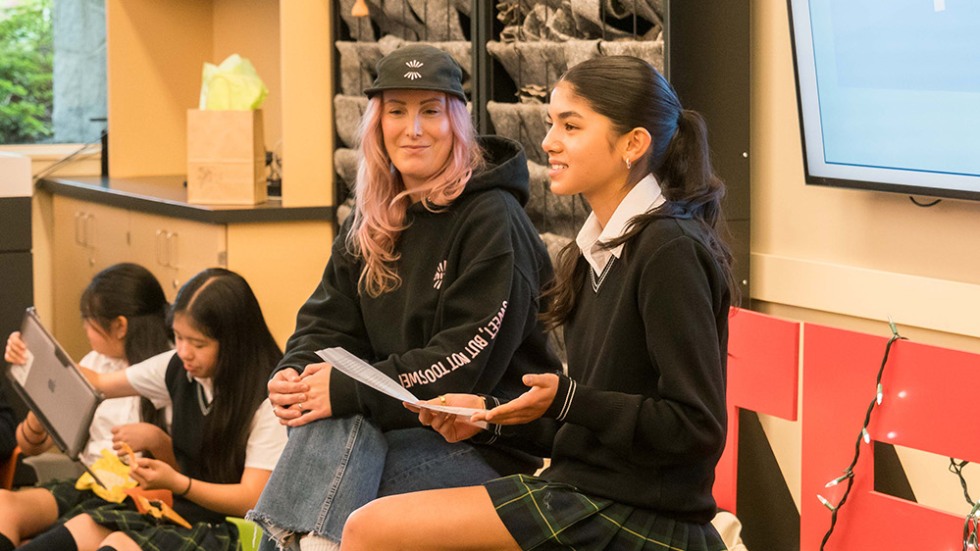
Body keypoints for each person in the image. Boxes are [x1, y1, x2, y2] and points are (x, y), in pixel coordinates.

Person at [340, 55, 737, 551]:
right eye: (551, 124)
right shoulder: (593, 251)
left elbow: (695, 427)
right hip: (579, 491)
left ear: (633, 144)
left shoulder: (668, 249)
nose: (548, 141)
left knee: (366, 529)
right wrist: (489, 415)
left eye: (571, 126)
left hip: (638, 515)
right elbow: (576, 430)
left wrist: (568, 398)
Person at [247, 44, 561, 551]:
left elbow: (460, 366)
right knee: (323, 435)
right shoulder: (372, 216)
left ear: (456, 122)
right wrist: (296, 372)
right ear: (377, 124)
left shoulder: (492, 220)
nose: (413, 129)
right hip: (384, 427)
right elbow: (326, 324)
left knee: (321, 487)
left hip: (483, 448)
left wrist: (345, 391)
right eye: (397, 111)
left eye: (430, 111)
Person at [0, 268, 286, 551]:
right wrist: (31, 357)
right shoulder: (178, 365)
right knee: (81, 526)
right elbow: (97, 382)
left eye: (198, 343)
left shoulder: (268, 398)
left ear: (234, 343)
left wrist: (178, 481)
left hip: (224, 526)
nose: (184, 351)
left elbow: (251, 498)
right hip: (169, 504)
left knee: (115, 542)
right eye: (178, 337)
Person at [0, 263, 173, 547]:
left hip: (137, 498)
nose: (84, 330)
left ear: (119, 326)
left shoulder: (166, 371)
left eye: (88, 321)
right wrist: (35, 377)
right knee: (3, 505)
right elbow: (29, 445)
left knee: (64, 534)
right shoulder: (95, 362)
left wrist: (156, 440)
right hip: (92, 484)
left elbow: (184, 471)